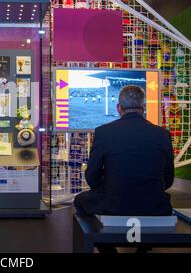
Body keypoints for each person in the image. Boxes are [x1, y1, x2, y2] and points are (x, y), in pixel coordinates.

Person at [74, 85, 175, 217]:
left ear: (118, 107)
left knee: (80, 200)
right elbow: (168, 178)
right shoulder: (163, 134)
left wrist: (108, 187)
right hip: (155, 206)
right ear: (143, 107)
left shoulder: (103, 132)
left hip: (114, 204)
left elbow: (92, 175)